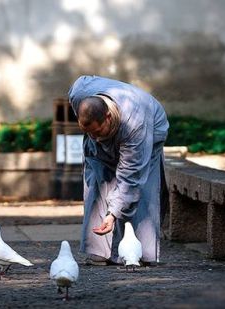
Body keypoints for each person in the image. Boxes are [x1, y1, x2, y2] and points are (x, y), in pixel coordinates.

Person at [68, 75, 170, 265]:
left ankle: (138, 253)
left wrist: (113, 213)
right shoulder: (79, 94)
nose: (94, 138)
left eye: (97, 132)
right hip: (117, 125)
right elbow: (84, 80)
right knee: (98, 183)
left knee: (139, 187)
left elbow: (130, 175)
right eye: (88, 132)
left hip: (149, 131)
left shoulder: (135, 123)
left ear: (107, 117)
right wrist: (95, 134)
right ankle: (98, 251)